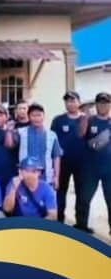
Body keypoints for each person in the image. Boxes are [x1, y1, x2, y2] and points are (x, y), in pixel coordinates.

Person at [50, 91, 86, 223]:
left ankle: (81, 223)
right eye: (67, 101)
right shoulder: (58, 120)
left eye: (73, 100)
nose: (70, 103)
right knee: (60, 192)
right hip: (62, 163)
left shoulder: (86, 120)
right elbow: (52, 141)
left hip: (82, 164)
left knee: (81, 194)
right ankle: (59, 220)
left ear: (79, 102)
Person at [78, 92, 111, 234]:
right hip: (91, 168)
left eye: (106, 103)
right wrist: (85, 117)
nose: (103, 105)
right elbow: (80, 134)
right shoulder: (90, 120)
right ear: (96, 104)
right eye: (100, 103)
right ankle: (81, 226)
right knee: (84, 199)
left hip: (109, 169)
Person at [14, 103, 63, 188]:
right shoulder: (20, 132)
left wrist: (56, 177)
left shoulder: (51, 135)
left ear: (43, 116)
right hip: (25, 178)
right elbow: (9, 145)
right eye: (33, 115)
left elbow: (56, 157)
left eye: (39, 115)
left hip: (46, 179)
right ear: (29, 117)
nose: (36, 118)